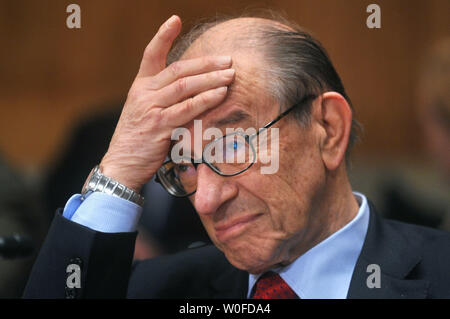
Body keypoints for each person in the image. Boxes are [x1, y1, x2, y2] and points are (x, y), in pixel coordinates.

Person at [24, 13, 450, 299]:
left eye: (232, 145)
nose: (206, 200)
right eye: (187, 164)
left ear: (329, 130)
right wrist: (119, 169)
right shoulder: (156, 289)